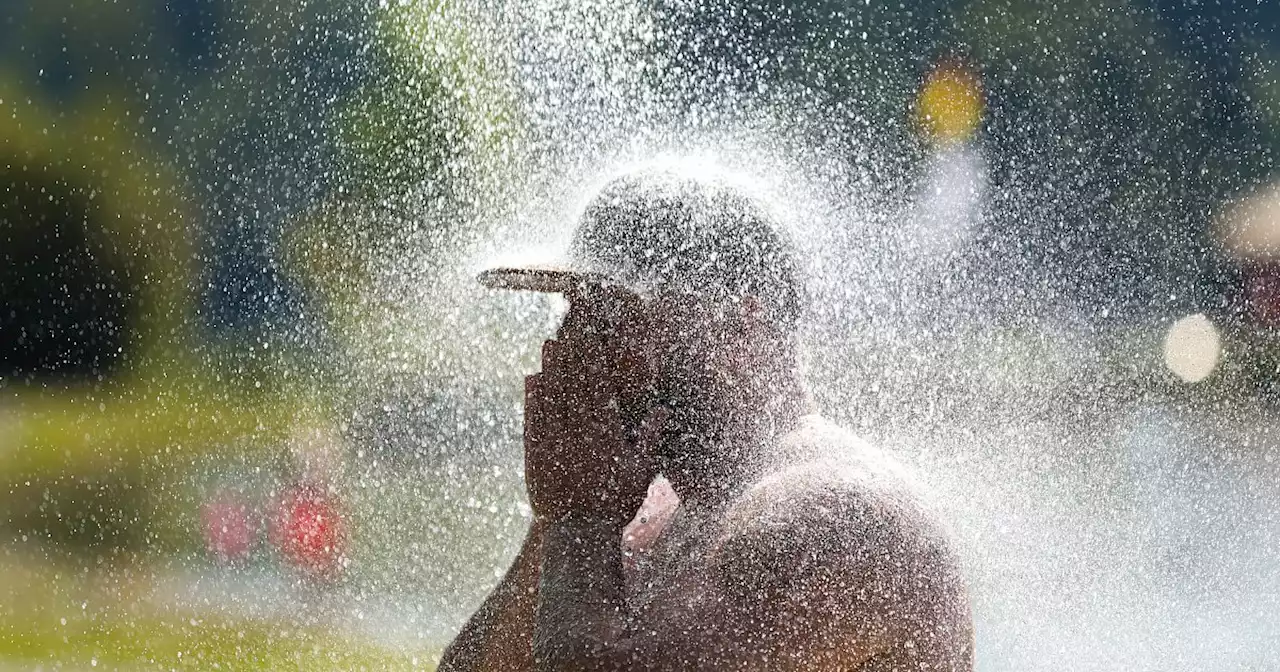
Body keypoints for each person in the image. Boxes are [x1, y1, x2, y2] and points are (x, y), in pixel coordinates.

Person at [440, 168, 974, 671]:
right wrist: (563, 509)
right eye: (574, 315)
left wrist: (578, 517)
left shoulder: (836, 518)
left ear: (744, 327)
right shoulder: (644, 509)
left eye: (612, 316)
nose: (580, 348)